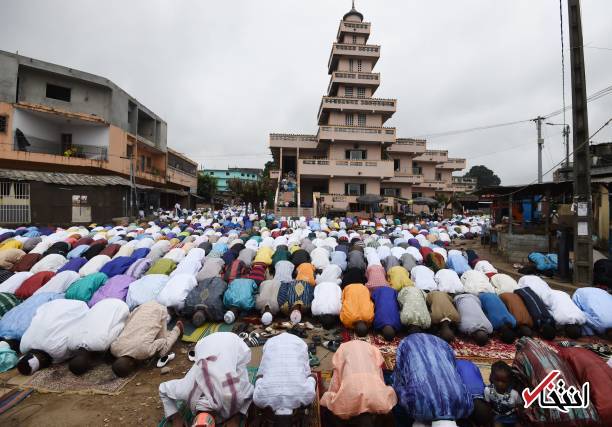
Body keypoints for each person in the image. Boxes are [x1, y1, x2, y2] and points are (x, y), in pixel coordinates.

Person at [158, 332, 253, 426]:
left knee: (239, 372)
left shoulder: (231, 394)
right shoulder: (185, 390)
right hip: (205, 344)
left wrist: (236, 418)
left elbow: (251, 391)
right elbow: (163, 389)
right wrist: (176, 417)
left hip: (234, 343)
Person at [513, 337, 599, 426]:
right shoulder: (553, 354)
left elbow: (516, 377)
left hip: (555, 418)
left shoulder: (522, 355)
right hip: (588, 415)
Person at [393, 333, 473, 423]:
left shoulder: (466, 408)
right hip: (411, 344)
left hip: (439, 345)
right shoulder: (417, 407)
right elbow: (399, 389)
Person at [321, 340, 397, 421]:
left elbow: (380, 378)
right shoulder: (343, 407)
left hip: (358, 349)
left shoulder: (383, 404)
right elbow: (329, 399)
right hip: (356, 350)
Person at [253, 333, 316, 422]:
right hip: (293, 342)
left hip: (287, 343)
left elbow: (312, 378)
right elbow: (259, 378)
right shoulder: (259, 398)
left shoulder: (307, 395)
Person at [110, 301, 183, 377]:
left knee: (162, 351)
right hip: (142, 307)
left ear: (132, 364)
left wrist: (152, 352)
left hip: (160, 311)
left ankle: (177, 330)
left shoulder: (145, 352)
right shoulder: (114, 349)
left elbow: (162, 341)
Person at [18, 299, 90, 375]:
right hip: (53, 304)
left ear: (42, 359)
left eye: (43, 364)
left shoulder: (56, 351)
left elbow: (72, 346)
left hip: (76, 308)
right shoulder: (23, 345)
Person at [66, 298, 129, 375]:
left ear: (89, 362)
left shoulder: (101, 345)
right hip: (98, 305)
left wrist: (126, 320)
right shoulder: (70, 343)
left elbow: (118, 328)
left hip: (118, 306)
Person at [484, 361, 520, 427]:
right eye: (497, 380)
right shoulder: (488, 390)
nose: (500, 384)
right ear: (491, 377)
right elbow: (488, 405)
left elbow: (519, 406)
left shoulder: (514, 394)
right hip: (498, 417)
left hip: (513, 416)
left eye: (504, 381)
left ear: (509, 381)